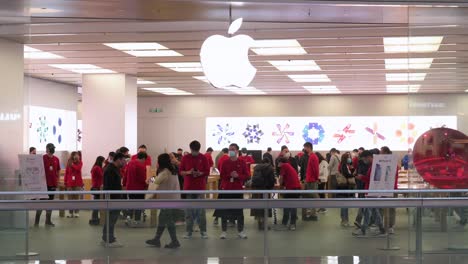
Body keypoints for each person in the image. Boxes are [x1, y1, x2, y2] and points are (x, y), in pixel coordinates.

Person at [146, 153, 181, 249]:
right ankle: (157, 239)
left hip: (167, 200)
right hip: (173, 199)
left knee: (169, 221)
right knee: (162, 219)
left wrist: (149, 179)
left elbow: (155, 182)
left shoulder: (165, 173)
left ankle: (175, 241)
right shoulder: (173, 170)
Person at [213, 143, 249, 239]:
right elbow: (222, 176)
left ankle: (240, 231)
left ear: (237, 151)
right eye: (230, 149)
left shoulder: (242, 162)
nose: (231, 151)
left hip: (238, 189)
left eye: (233, 149)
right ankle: (224, 231)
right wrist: (230, 175)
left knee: (239, 212)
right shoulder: (225, 162)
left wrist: (238, 176)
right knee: (224, 211)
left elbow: (247, 175)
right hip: (226, 189)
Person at [179, 140, 210, 239]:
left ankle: (203, 231)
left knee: (201, 211)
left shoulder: (204, 157)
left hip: (200, 187)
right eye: (193, 150)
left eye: (196, 151)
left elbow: (207, 171)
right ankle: (188, 231)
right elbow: (181, 172)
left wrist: (200, 173)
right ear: (190, 149)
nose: (195, 152)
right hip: (188, 188)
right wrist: (188, 172)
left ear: (199, 149)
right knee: (189, 211)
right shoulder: (185, 158)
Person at [352, 150, 386, 237]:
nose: (364, 161)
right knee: (374, 211)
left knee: (367, 210)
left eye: (364, 159)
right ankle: (382, 229)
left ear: (369, 157)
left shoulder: (375, 166)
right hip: (371, 190)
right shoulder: (373, 166)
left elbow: (372, 179)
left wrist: (362, 177)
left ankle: (363, 229)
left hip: (372, 190)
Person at [101, 152, 126, 247]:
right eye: (124, 160)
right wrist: (110, 200)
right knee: (111, 219)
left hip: (115, 198)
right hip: (112, 199)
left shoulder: (115, 169)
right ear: (118, 160)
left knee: (112, 219)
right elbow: (108, 186)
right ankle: (109, 239)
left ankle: (107, 237)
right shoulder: (110, 170)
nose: (125, 162)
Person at [35, 143, 60, 227]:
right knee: (41, 203)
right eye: (51, 148)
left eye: (53, 148)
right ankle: (36, 222)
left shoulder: (56, 159)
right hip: (43, 185)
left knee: (50, 203)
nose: (53, 149)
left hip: (52, 184)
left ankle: (48, 221)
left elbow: (58, 170)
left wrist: (58, 180)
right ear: (47, 149)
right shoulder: (42, 158)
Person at [250, 158, 276, 230]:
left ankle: (259, 222)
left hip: (256, 190)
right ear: (269, 162)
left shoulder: (256, 167)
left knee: (258, 206)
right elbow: (271, 180)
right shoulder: (270, 168)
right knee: (265, 207)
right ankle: (264, 225)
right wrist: (271, 187)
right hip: (265, 189)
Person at [278, 157, 302, 231]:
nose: (277, 164)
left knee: (289, 206)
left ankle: (288, 223)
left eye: (278, 162)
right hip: (296, 188)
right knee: (292, 206)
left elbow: (281, 178)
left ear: (281, 162)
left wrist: (280, 184)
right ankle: (290, 223)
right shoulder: (289, 165)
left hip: (292, 189)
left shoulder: (284, 166)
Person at [125, 151, 148, 227]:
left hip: (130, 188)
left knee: (131, 203)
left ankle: (128, 218)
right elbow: (143, 179)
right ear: (144, 158)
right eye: (145, 160)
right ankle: (137, 221)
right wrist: (152, 180)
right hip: (139, 188)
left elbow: (125, 175)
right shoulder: (141, 166)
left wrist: (125, 184)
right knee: (138, 204)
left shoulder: (130, 163)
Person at [381, 146, 399, 234]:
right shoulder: (381, 162)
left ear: (386, 153)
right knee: (385, 208)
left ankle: (391, 226)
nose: (380, 154)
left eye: (382, 152)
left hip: (392, 188)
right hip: (384, 188)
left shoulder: (393, 162)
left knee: (391, 208)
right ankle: (386, 226)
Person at [303, 142, 320, 221]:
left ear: (308, 147)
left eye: (305, 147)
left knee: (313, 197)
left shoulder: (313, 157)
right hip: (309, 179)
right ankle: (311, 213)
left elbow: (315, 169)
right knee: (309, 197)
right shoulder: (311, 156)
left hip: (312, 180)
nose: (304, 149)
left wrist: (316, 178)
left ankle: (314, 214)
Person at [64, 151, 83, 218]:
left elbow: (78, 168)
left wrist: (72, 164)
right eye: (75, 155)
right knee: (70, 199)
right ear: (72, 156)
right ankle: (70, 212)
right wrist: (65, 182)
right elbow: (66, 173)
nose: (76, 156)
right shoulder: (69, 162)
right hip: (69, 183)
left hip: (77, 183)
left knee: (76, 198)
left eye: (77, 155)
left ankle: (76, 212)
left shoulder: (80, 162)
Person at [338, 152, 355, 227]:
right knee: (344, 204)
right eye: (348, 157)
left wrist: (352, 169)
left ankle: (344, 220)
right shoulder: (343, 165)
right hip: (344, 187)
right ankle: (344, 220)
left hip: (345, 186)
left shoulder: (346, 165)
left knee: (344, 204)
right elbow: (346, 175)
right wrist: (353, 175)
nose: (350, 158)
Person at [89, 156, 105, 225]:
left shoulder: (95, 167)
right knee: (97, 204)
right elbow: (103, 175)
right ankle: (94, 218)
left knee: (96, 203)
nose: (104, 163)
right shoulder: (97, 168)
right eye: (103, 161)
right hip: (97, 187)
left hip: (96, 186)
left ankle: (94, 217)